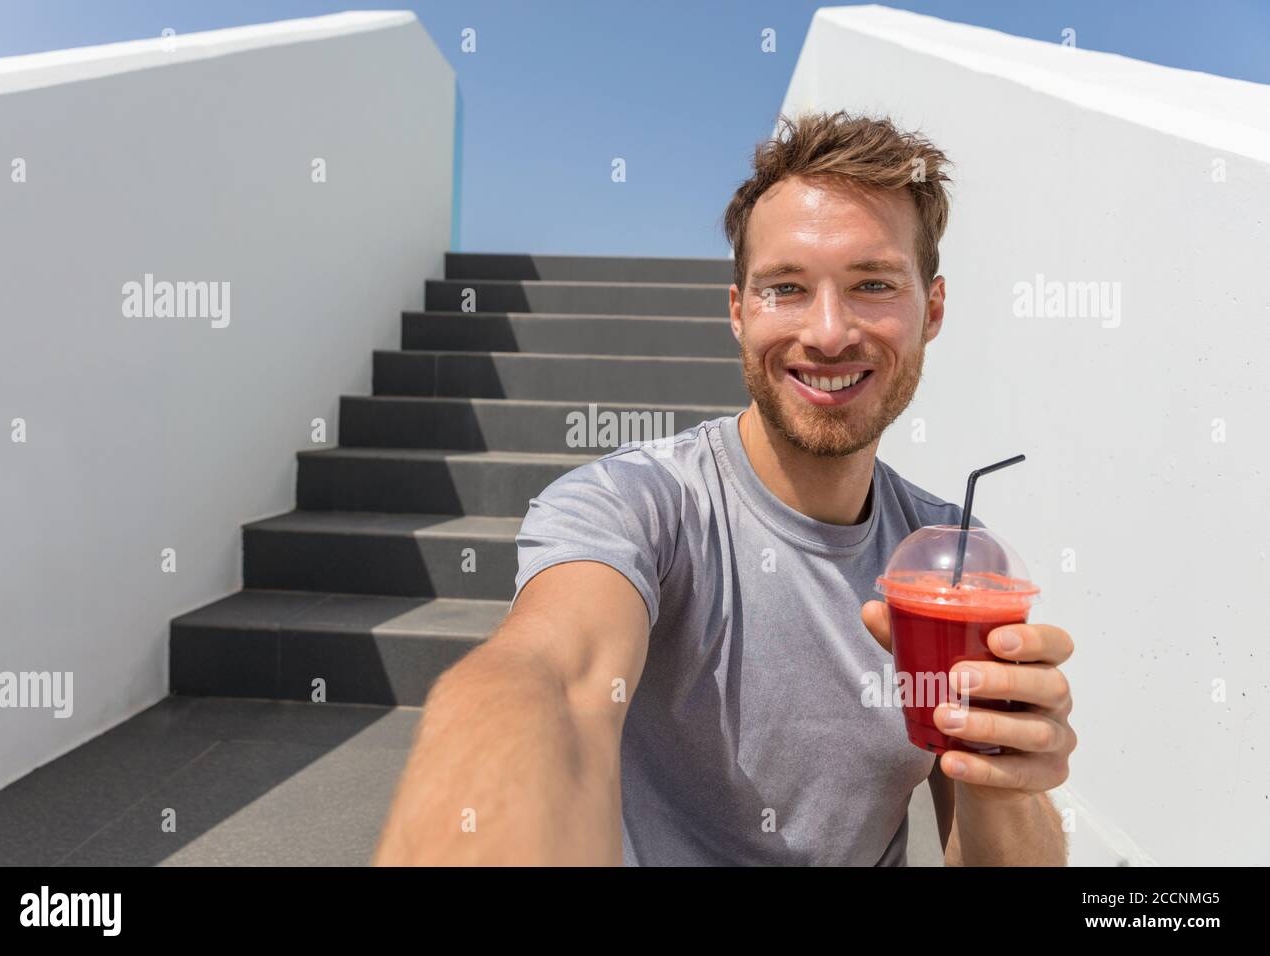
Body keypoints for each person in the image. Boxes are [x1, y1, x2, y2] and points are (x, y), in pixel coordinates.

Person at [373, 110, 1076, 866]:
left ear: (931, 309)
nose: (830, 332)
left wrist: (1005, 783)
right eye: (787, 287)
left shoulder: (950, 560)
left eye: (873, 283)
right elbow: (557, 679)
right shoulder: (634, 504)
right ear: (739, 312)